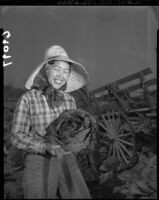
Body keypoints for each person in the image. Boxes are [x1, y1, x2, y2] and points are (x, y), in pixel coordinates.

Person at [10, 45, 91, 199]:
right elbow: (16, 136)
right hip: (39, 158)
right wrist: (44, 146)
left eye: (65, 71)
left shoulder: (69, 100)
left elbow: (73, 130)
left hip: (66, 156)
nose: (61, 75)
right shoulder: (29, 99)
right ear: (47, 69)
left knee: (79, 194)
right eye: (57, 69)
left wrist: (79, 139)